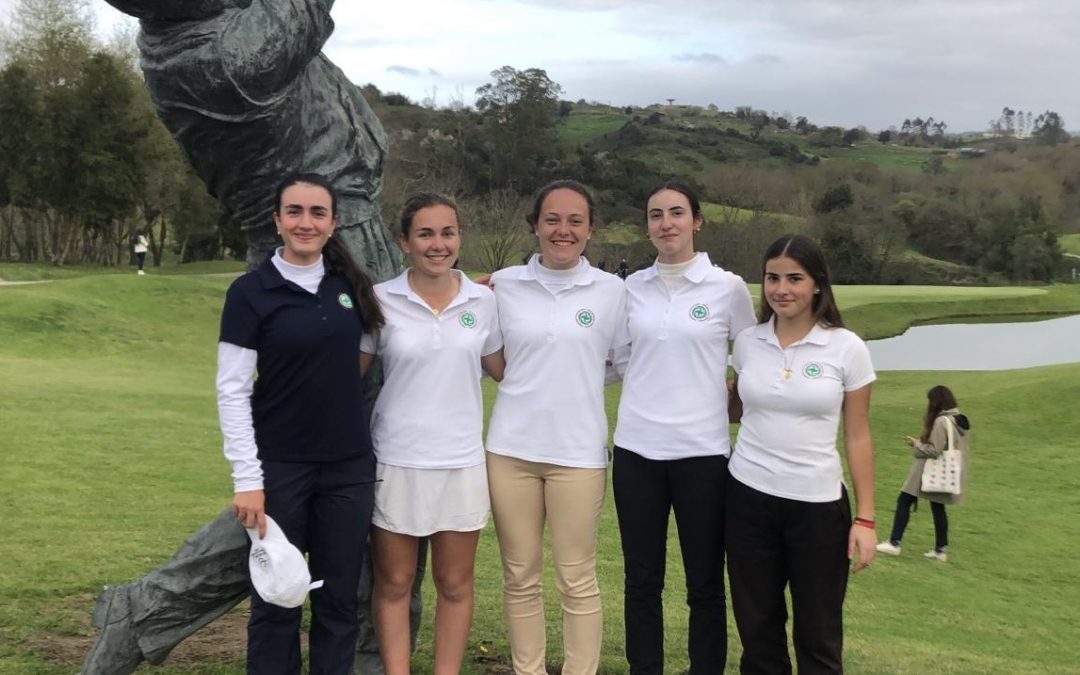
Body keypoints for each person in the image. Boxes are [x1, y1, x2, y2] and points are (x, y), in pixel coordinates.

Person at [217, 173, 383, 673]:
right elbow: (232, 389)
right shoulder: (250, 292)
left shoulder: (349, 288)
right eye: (295, 212)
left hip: (348, 469)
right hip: (281, 469)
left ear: (333, 223)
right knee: (277, 598)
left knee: (338, 602)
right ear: (277, 220)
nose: (305, 223)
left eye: (317, 213)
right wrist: (248, 480)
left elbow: (377, 338)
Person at [101, 0, 399, 277]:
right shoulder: (229, 58)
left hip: (318, 230)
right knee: (358, 330)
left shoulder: (176, 34)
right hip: (326, 243)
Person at [610, 181, 756, 675]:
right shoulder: (629, 289)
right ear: (647, 225)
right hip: (636, 452)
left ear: (696, 221)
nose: (666, 223)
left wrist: (732, 401)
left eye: (676, 213)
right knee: (642, 581)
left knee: (705, 585)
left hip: (703, 455)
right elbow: (620, 360)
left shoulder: (727, 288)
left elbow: (753, 360)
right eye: (655, 215)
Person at [485, 179, 628, 675]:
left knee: (577, 578)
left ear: (590, 229)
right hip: (510, 451)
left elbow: (624, 363)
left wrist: (581, 377)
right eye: (552, 220)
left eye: (574, 221)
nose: (562, 230)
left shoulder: (613, 292)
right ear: (534, 226)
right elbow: (494, 358)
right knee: (520, 576)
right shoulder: (503, 285)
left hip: (579, 455)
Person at [360, 193, 504, 675]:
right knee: (396, 582)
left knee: (454, 584)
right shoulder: (380, 300)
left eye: (447, 233)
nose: (437, 244)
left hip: (461, 462)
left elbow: (505, 371)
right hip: (396, 460)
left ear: (459, 237)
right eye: (425, 233)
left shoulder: (484, 302)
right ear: (404, 241)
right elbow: (346, 376)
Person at [726, 233, 876, 675]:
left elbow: (858, 436)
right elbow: (741, 408)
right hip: (748, 499)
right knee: (758, 632)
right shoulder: (748, 342)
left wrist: (865, 520)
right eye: (772, 278)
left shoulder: (847, 347)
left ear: (817, 285)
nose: (781, 289)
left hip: (817, 508)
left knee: (818, 634)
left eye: (795, 278)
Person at [876, 385, 970, 562]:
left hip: (929, 471)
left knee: (904, 499)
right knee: (937, 506)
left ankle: (894, 543)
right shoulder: (957, 420)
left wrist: (917, 444)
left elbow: (934, 450)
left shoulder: (942, 421)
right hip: (944, 473)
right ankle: (940, 550)